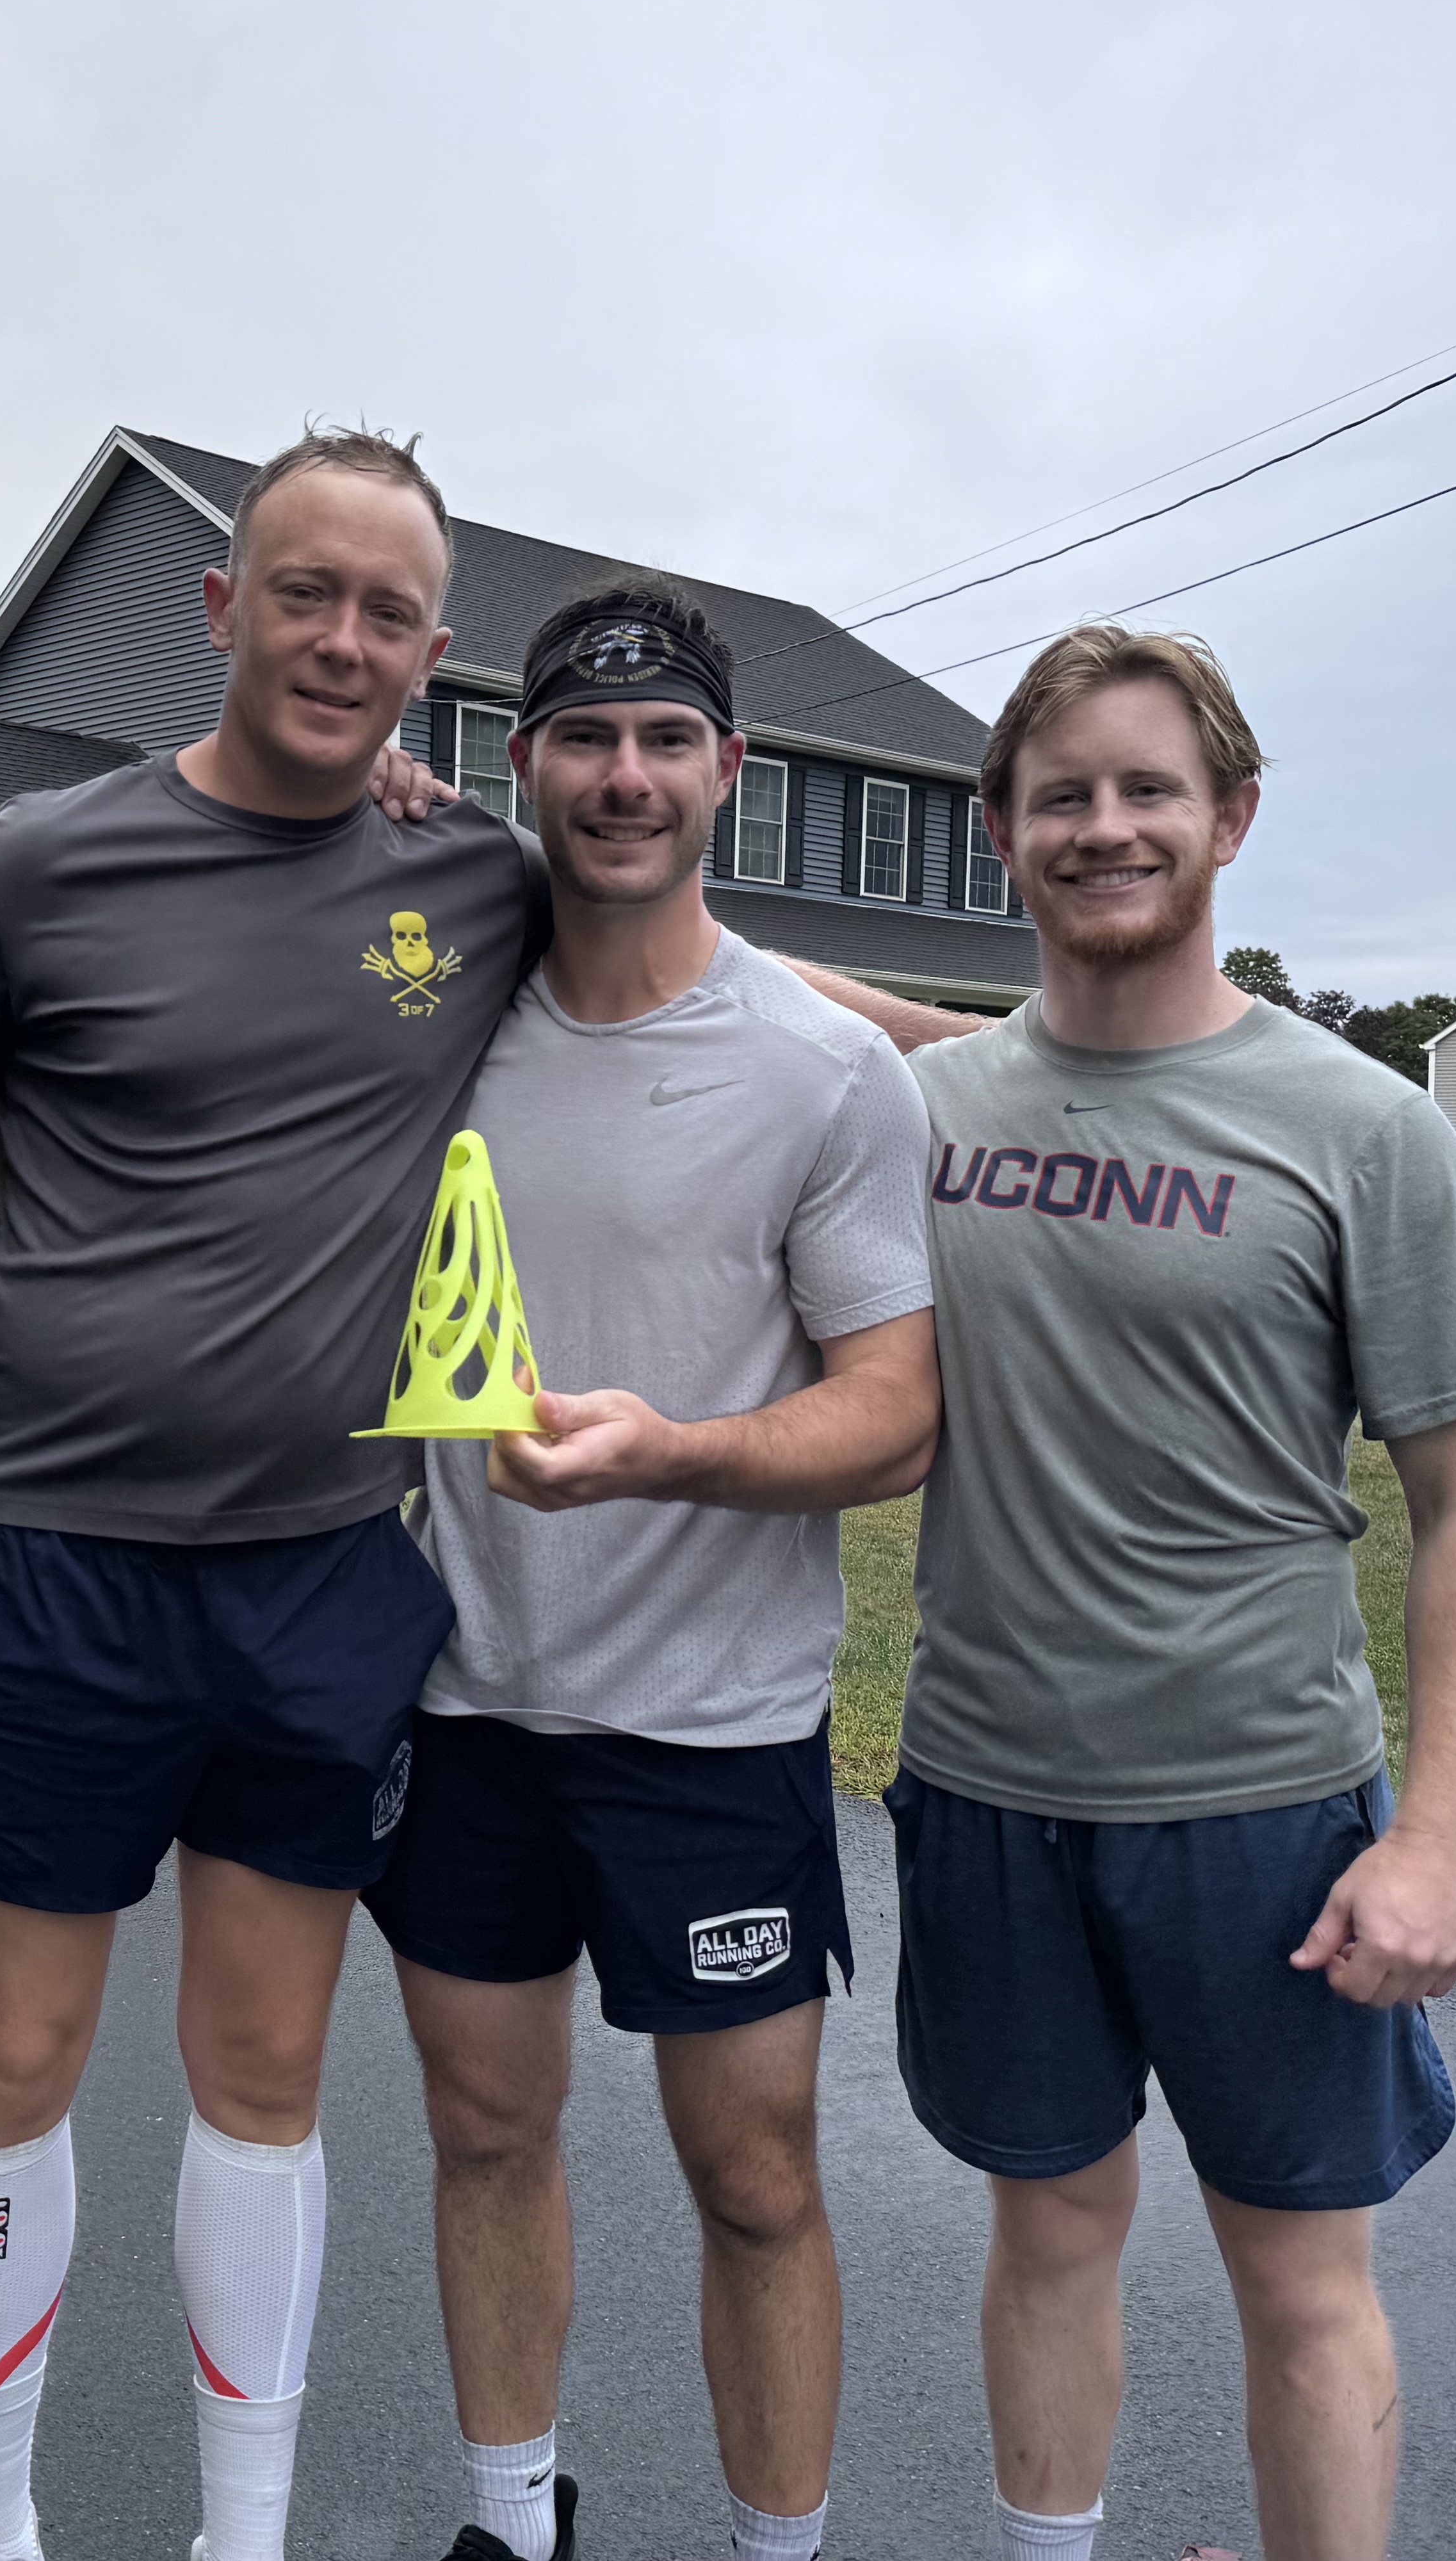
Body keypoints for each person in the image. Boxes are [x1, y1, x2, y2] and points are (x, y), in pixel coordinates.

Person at [791, 625, 1456, 2561]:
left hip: (1263, 1814)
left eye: (1148, 790)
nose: (1106, 827)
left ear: (1232, 818)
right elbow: (746, 982)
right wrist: (476, 843)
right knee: (1049, 2233)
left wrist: (1442, 1841)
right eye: (1066, 796)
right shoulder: (940, 1106)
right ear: (1003, 831)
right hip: (988, 1787)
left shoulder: (1364, 1129)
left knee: (1299, 2281)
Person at [0, 427, 551, 2561]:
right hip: (46, 1564)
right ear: (221, 607)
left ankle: (236, 2537)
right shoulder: (36, 858)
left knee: (267, 2083)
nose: (340, 639)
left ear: (432, 656)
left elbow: (719, 985)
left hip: (320, 1579)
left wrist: (1016, 1053)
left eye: (386, 612)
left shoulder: (483, 881)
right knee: (14, 2070)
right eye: (303, 592)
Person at [355, 576, 941, 2561]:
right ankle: (515, 2527)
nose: (624, 779)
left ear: (730, 773)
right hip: (463, 1705)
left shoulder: (821, 1068)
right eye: (585, 740)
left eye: (665, 742)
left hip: (715, 1727)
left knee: (757, 2175)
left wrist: (667, 1454)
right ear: (515, 762)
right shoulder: (430, 1012)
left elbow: (899, 1413)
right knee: (484, 2135)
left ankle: (780, 2546)